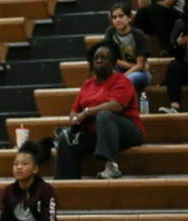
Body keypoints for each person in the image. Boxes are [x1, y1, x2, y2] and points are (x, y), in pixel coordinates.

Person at [55, 41, 144, 180]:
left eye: (103, 58)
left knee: (104, 115)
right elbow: (74, 110)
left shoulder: (122, 81)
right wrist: (74, 120)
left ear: (113, 63)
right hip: (96, 135)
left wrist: (86, 113)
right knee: (65, 138)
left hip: (126, 131)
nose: (99, 60)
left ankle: (111, 166)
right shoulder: (87, 84)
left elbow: (117, 105)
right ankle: (67, 184)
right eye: (96, 58)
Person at [103, 3, 150, 91]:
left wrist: (122, 77)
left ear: (129, 18)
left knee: (126, 81)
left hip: (139, 73)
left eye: (121, 16)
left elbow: (140, 66)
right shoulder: (110, 32)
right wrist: (129, 66)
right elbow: (110, 58)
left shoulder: (137, 34)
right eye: (114, 17)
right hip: (120, 70)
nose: (117, 20)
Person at [160, 16, 188, 114]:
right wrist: (178, 43)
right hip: (185, 65)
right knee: (174, 67)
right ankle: (174, 107)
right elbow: (170, 50)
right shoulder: (180, 23)